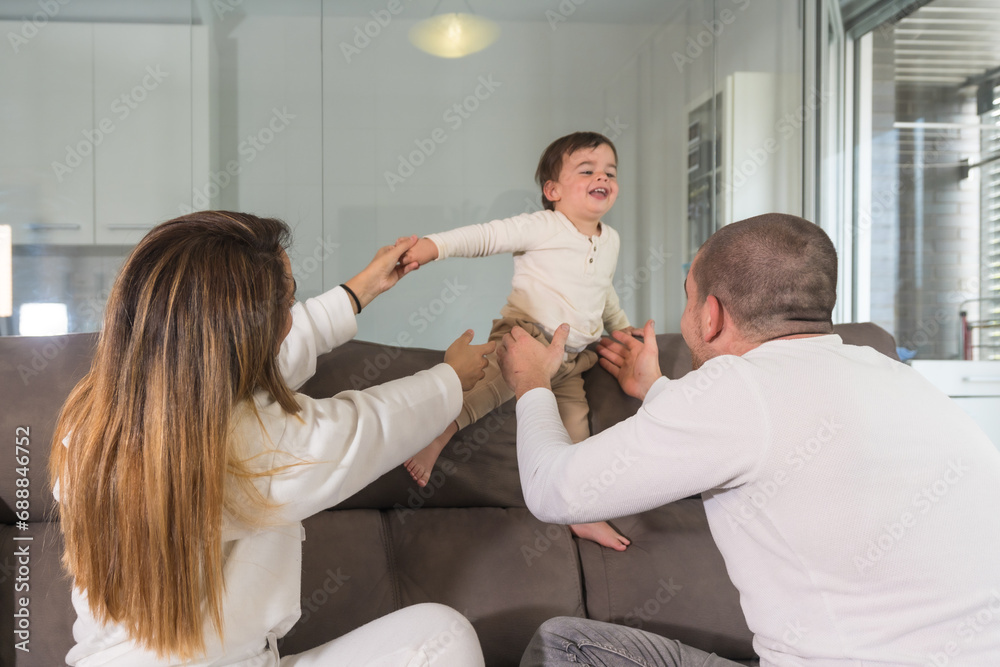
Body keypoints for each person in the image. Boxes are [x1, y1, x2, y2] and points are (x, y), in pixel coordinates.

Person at [497, 213, 1000, 666]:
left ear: (711, 315)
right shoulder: (900, 378)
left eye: (688, 295)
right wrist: (655, 389)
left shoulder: (736, 388)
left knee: (564, 645)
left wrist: (532, 384)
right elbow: (766, 426)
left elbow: (550, 488)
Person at [49, 211, 491, 666]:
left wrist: (358, 293)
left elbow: (247, 375)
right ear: (243, 332)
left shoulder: (92, 423)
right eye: (287, 302)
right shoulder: (244, 449)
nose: (290, 317)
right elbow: (361, 430)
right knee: (445, 637)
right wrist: (450, 378)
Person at [400, 131, 639, 551]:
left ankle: (581, 512)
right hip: (527, 336)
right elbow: (486, 236)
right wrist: (432, 247)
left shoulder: (611, 239)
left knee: (573, 431)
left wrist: (621, 328)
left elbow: (604, 290)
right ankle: (436, 436)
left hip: (573, 359)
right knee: (492, 386)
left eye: (609, 172)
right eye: (587, 170)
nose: (601, 177)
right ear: (553, 190)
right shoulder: (544, 226)